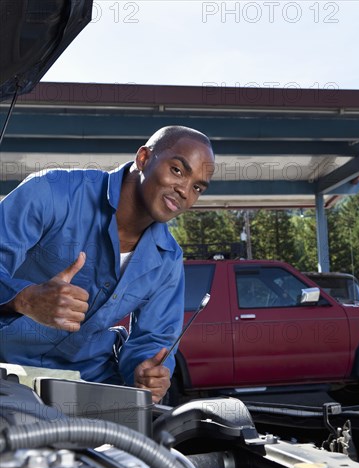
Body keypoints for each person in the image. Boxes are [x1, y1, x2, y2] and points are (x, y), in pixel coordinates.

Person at [0, 126, 215, 402]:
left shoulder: (167, 259)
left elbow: (152, 342)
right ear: (144, 159)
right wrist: (25, 298)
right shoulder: (51, 193)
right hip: (8, 368)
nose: (185, 191)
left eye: (197, 187)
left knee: (151, 438)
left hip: (88, 381)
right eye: (177, 170)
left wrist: (146, 373)